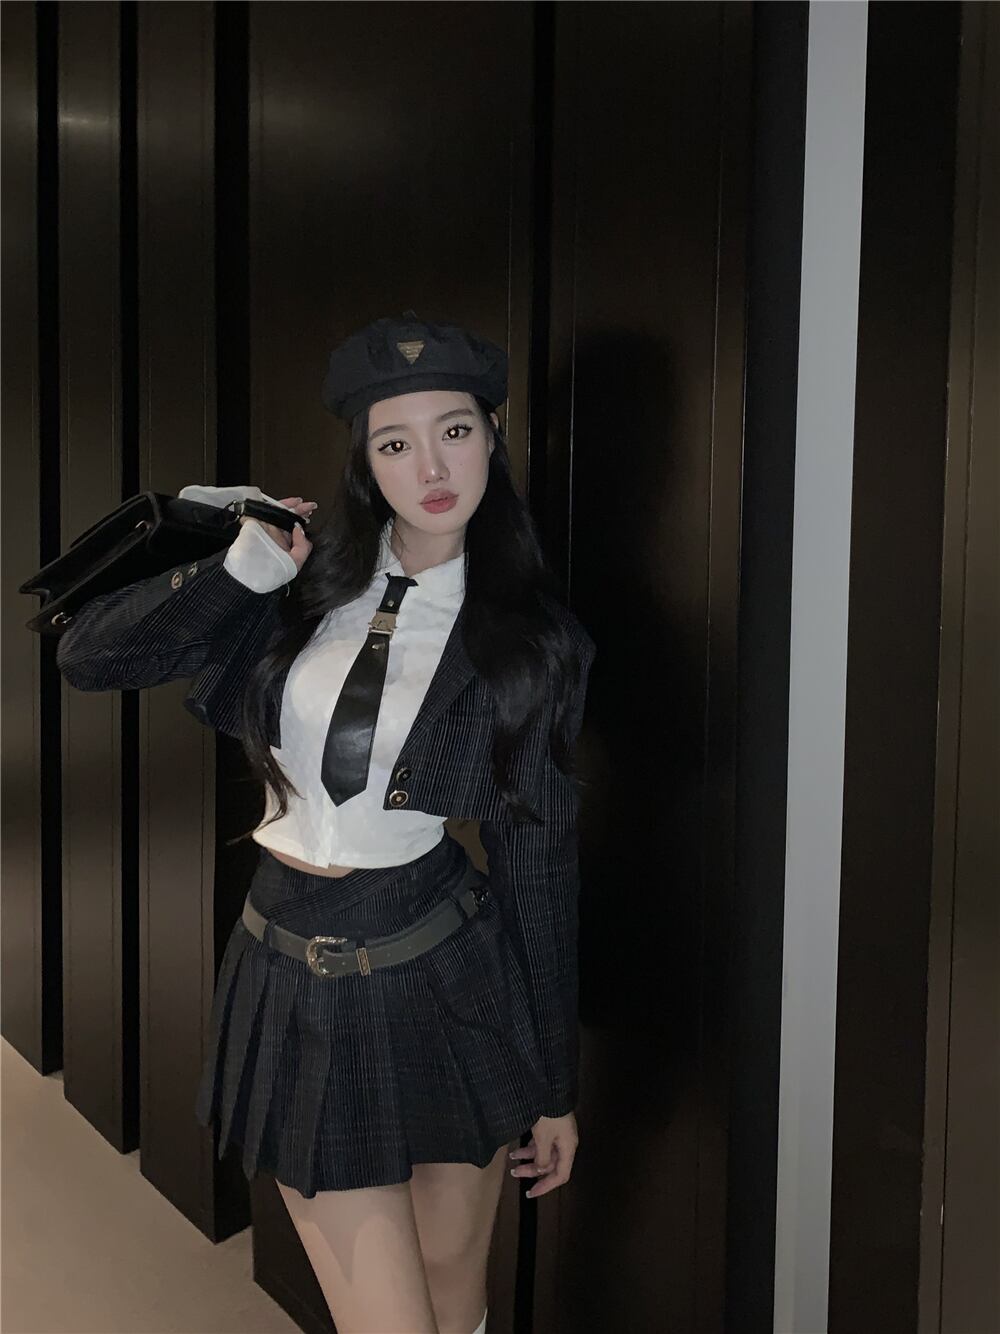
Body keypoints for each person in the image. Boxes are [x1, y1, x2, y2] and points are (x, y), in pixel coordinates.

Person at [55, 312, 596, 1334]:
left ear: (492, 437)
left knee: (455, 1300)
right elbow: (88, 658)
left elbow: (539, 864)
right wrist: (237, 570)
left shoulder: (535, 639)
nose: (430, 467)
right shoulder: (296, 584)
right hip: (299, 974)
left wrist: (556, 1085)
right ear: (364, 461)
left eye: (455, 430)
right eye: (395, 442)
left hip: (454, 974)